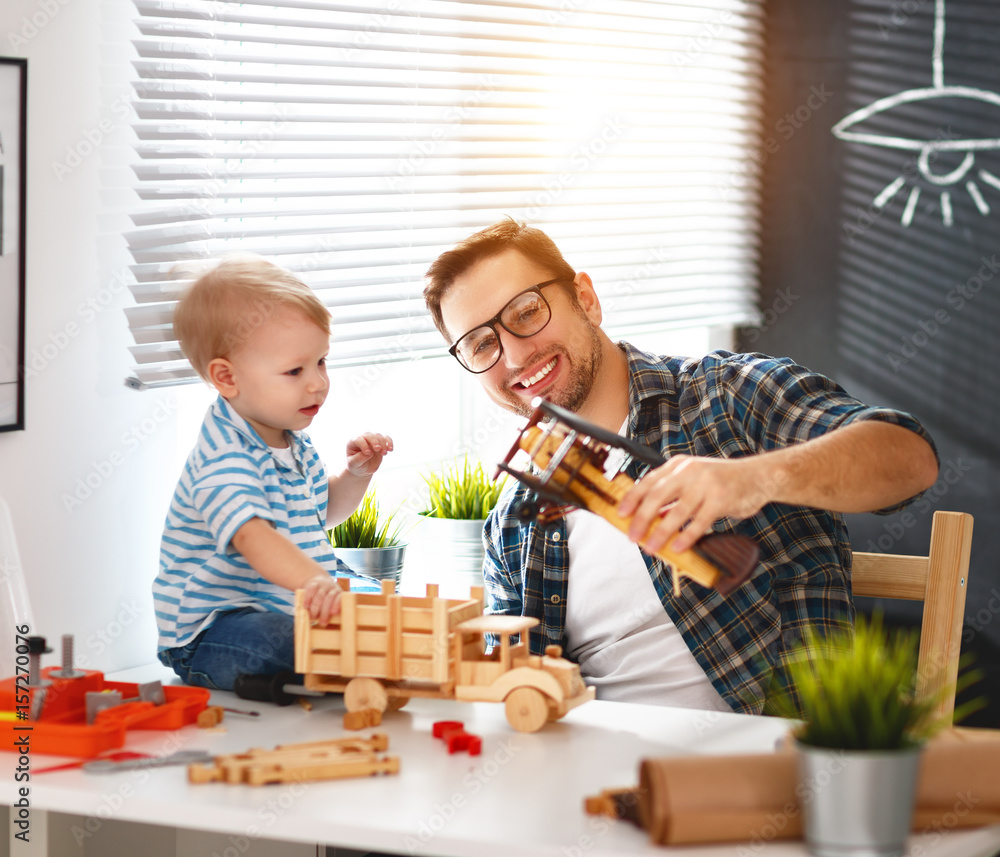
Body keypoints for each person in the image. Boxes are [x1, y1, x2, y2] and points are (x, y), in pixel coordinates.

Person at [423, 219, 939, 714]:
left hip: (780, 770)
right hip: (597, 782)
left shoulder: (727, 395)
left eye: (526, 312)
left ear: (585, 298)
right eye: (482, 344)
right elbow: (512, 689)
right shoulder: (515, 520)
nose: (513, 355)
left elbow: (909, 460)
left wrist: (753, 479)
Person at [153, 256, 393, 691]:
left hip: (282, 601)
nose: (318, 383)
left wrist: (355, 475)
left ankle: (355, 655)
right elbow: (255, 539)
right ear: (227, 377)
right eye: (295, 371)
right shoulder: (223, 457)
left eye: (321, 362)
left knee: (382, 604)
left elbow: (322, 515)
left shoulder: (292, 442)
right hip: (213, 630)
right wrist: (315, 580)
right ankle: (331, 663)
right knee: (278, 642)